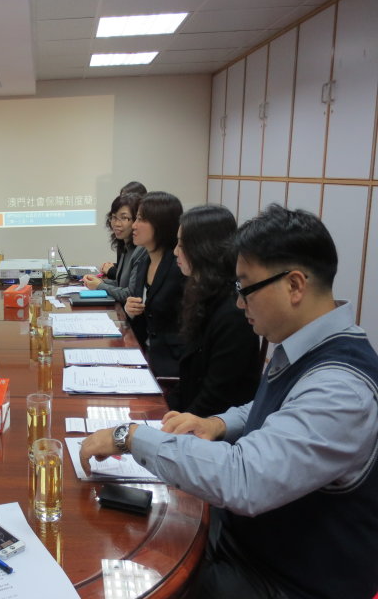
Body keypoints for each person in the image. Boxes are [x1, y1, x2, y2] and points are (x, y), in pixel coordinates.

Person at [80, 205, 378, 599]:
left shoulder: (342, 389)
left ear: (294, 285)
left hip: (284, 580)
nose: (239, 303)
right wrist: (219, 423)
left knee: (132, 570)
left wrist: (130, 436)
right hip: (251, 543)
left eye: (246, 288)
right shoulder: (307, 346)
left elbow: (244, 478)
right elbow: (277, 409)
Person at [168, 205, 262, 416]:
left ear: (203, 248)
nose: (175, 251)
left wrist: (171, 427)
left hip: (216, 427)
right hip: (190, 417)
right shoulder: (202, 292)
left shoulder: (233, 313)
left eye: (181, 245)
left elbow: (216, 398)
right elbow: (188, 378)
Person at [124, 192, 185, 377]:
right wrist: (130, 310)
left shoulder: (179, 267)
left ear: (161, 225)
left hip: (171, 366)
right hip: (143, 355)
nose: (134, 225)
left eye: (141, 219)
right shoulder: (144, 262)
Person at [83, 192, 146, 302]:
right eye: (114, 217)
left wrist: (99, 285)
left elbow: (131, 294)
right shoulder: (126, 246)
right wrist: (99, 281)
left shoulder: (140, 250)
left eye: (124, 218)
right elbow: (120, 283)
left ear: (137, 220)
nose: (116, 223)